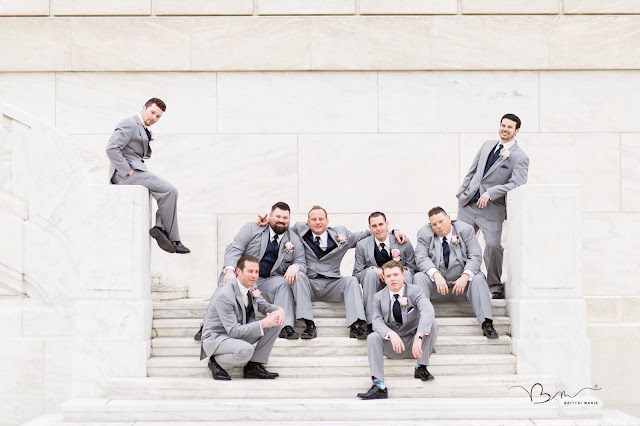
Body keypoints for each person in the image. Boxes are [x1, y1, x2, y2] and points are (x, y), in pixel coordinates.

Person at [259, 206, 406, 340]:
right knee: (299, 276)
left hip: (332, 283)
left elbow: (371, 232)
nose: (317, 222)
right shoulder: (299, 230)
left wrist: (393, 230)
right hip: (308, 284)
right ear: (307, 222)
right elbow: (280, 227)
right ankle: (309, 324)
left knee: (351, 281)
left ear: (327, 221)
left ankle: (355, 325)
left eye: (321, 219)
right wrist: (265, 224)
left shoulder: (341, 235)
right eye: (314, 219)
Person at [195, 202, 303, 341]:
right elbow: (235, 249)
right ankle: (207, 326)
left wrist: (296, 266)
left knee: (283, 283)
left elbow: (302, 261)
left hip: (266, 281)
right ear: (269, 216)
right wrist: (229, 270)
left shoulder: (293, 238)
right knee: (229, 280)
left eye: (285, 217)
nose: (281, 220)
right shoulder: (252, 228)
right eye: (277, 216)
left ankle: (285, 325)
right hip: (244, 277)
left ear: (289, 219)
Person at [456, 113, 529, 298]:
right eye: (503, 125)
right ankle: (461, 283)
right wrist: (462, 192)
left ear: (516, 131)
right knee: (458, 244)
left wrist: (491, 192)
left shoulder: (520, 157)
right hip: (468, 204)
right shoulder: (488, 145)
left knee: (493, 245)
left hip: (492, 208)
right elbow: (473, 170)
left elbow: (518, 183)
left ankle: (494, 286)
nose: (505, 129)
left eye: (509, 127)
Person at [106, 98, 190, 254]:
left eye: (158, 116)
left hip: (136, 171)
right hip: (125, 175)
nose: (154, 118)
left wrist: (148, 137)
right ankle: (167, 234)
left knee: (167, 191)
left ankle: (163, 231)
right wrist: (127, 170)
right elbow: (111, 148)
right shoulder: (129, 123)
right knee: (169, 190)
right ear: (143, 108)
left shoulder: (141, 127)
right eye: (152, 112)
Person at [357, 261, 438, 400]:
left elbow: (428, 311)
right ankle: (379, 385)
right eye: (388, 276)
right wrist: (391, 334)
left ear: (403, 275)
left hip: (415, 345)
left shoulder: (416, 291)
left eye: (395, 275)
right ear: (384, 278)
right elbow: (376, 321)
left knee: (433, 324)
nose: (392, 279)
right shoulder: (378, 297)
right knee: (372, 337)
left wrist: (419, 336)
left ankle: (421, 367)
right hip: (393, 345)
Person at [413, 207, 497, 339]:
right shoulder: (424, 234)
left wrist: (465, 276)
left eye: (441, 221)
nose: (438, 226)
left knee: (479, 278)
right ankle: (419, 324)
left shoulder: (465, 229)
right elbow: (421, 258)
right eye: (434, 224)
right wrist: (435, 275)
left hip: (462, 286)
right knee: (419, 277)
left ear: (448, 219)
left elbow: (475, 256)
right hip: (437, 287)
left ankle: (487, 323)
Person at [199, 255, 285, 381]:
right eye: (250, 271)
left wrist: (280, 311)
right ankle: (216, 362)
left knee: (276, 321)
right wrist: (262, 323)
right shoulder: (225, 295)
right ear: (238, 272)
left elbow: (265, 306)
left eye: (256, 272)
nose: (254, 275)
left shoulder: (252, 287)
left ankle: (254, 365)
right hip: (218, 337)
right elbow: (233, 331)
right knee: (246, 350)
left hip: (237, 332)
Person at [353, 212, 417, 331]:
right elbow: (356, 274)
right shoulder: (362, 245)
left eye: (381, 224)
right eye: (374, 226)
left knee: (406, 273)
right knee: (370, 273)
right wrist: (372, 268)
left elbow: (414, 268)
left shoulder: (402, 241)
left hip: (398, 286)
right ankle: (371, 323)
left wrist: (396, 272)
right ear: (370, 228)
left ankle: (406, 320)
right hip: (375, 286)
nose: (378, 228)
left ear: (387, 224)